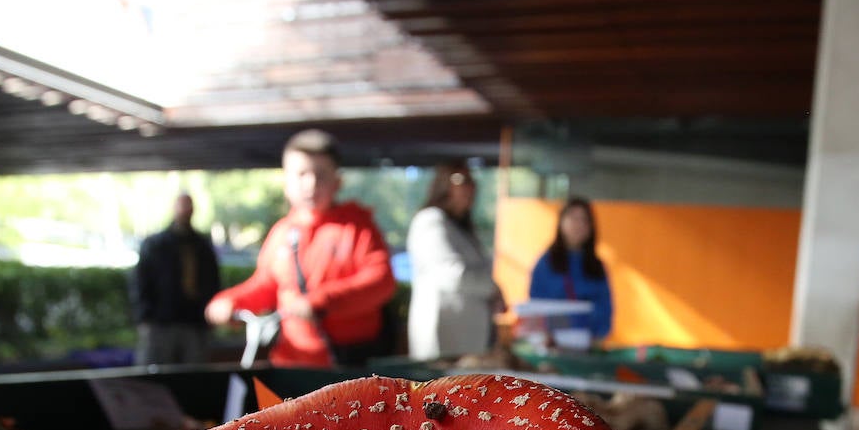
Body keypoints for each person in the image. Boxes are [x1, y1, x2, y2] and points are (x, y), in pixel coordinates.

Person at [205, 129, 396, 368]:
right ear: (286, 181)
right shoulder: (282, 232)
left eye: (321, 175)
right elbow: (266, 285)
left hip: (347, 367)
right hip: (292, 364)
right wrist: (230, 301)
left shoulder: (358, 227)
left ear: (337, 182)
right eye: (301, 174)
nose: (311, 184)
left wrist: (322, 301)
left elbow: (381, 282)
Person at [405, 161, 503, 360]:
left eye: (472, 182)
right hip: (444, 338)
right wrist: (492, 289)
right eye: (461, 180)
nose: (469, 188)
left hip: (467, 341)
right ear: (443, 185)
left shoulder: (462, 228)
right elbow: (451, 274)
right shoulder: (430, 220)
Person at [129, 192, 222, 366]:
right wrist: (144, 317)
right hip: (162, 321)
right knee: (158, 373)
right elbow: (140, 282)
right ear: (174, 208)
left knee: (195, 374)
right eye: (182, 205)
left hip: (195, 321)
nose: (186, 210)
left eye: (189, 206)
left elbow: (213, 280)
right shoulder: (155, 244)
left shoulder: (202, 245)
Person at [527, 198, 613, 344]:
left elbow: (605, 311)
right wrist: (576, 320)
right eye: (573, 218)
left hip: (589, 345)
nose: (578, 224)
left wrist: (591, 331)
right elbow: (537, 309)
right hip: (552, 344)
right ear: (561, 222)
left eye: (584, 219)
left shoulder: (597, 267)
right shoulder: (545, 264)